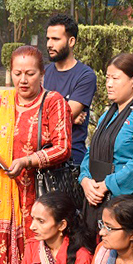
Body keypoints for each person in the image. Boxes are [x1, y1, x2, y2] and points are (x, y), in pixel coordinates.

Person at [0, 45, 73, 264]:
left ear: (42, 74)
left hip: (37, 193)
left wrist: (28, 161)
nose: (23, 79)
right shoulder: (2, 102)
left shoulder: (53, 102)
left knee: (35, 245)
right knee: (4, 249)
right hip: (3, 192)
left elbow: (63, 146)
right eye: (17, 73)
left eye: (30, 73)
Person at [79, 53, 133, 229]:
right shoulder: (107, 116)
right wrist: (85, 180)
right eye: (107, 78)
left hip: (125, 208)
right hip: (94, 202)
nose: (109, 84)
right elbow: (90, 153)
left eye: (115, 78)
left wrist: (107, 184)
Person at [43, 14, 98, 166]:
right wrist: (70, 119)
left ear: (71, 41)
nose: (49, 44)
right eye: (48, 39)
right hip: (40, 155)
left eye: (55, 39)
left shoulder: (85, 76)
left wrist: (67, 118)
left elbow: (60, 118)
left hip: (70, 161)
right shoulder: (43, 73)